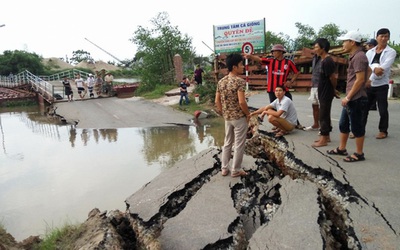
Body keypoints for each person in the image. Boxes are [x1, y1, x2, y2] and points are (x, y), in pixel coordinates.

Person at [327, 30, 370, 162]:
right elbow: (369, 70)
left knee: (357, 126)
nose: (343, 44)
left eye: (345, 41)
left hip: (355, 98)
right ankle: (342, 148)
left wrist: (348, 97)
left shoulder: (359, 57)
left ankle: (359, 153)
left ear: (352, 42)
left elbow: (359, 79)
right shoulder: (355, 56)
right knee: (343, 124)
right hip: (353, 97)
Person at [245, 44, 303, 129]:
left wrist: (291, 81)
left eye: (274, 51)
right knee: (274, 108)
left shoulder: (288, 62)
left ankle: (296, 123)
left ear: (280, 52)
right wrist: (250, 56)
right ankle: (279, 125)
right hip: (272, 89)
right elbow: (259, 59)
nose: (273, 53)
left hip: (284, 90)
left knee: (289, 107)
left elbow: (297, 72)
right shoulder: (270, 61)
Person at [215, 53, 250, 177]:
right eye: (241, 65)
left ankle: (224, 168)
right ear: (234, 67)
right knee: (239, 144)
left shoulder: (221, 82)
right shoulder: (239, 81)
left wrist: (223, 112)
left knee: (227, 142)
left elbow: (216, 101)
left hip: (227, 118)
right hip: (239, 118)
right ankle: (235, 169)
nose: (243, 67)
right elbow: (242, 101)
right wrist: (248, 114)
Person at [364, 28, 396, 139]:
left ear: (388, 38)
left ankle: (383, 131)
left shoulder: (391, 52)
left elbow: (382, 70)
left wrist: (372, 70)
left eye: (386, 36)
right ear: (377, 37)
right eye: (381, 36)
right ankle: (359, 130)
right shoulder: (369, 52)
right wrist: (373, 69)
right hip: (369, 84)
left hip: (382, 85)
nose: (384, 38)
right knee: (364, 109)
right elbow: (366, 66)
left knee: (382, 109)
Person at [311, 38, 337, 147]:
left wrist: (334, 89)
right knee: (324, 114)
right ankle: (326, 137)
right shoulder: (322, 60)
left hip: (326, 91)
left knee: (323, 115)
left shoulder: (327, 61)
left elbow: (333, 77)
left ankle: (323, 139)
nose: (315, 49)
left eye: (317, 47)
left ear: (323, 48)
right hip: (322, 90)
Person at [304, 50, 322, 131]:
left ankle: (324, 127)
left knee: (323, 107)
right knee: (314, 105)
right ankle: (316, 124)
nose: (314, 49)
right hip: (314, 85)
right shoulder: (314, 57)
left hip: (321, 86)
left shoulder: (325, 59)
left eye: (316, 47)